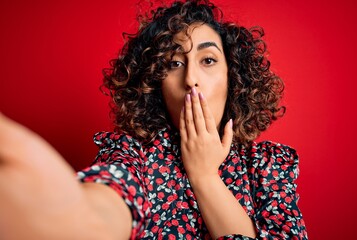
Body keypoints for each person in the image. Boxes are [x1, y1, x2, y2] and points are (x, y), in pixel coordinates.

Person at [0, 0, 308, 239]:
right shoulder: (133, 154)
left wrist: (204, 177)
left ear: (233, 78)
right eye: (174, 62)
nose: (191, 79)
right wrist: (80, 218)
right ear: (156, 81)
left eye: (208, 60)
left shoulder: (268, 165)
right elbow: (113, 198)